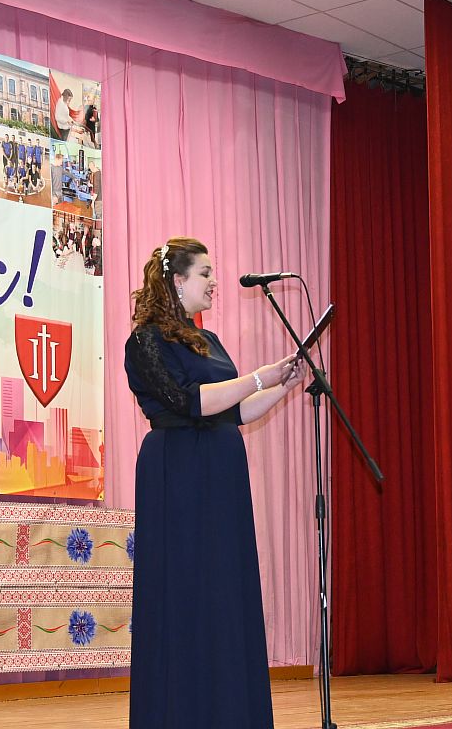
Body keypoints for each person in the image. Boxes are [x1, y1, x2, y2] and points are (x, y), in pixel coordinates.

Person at [124, 237, 304, 729]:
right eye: (205, 273)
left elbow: (236, 411)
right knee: (185, 590)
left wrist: (282, 386)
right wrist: (259, 377)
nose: (214, 282)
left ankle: (230, 712)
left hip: (221, 475)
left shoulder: (209, 339)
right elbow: (189, 402)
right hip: (179, 474)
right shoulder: (145, 341)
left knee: (224, 589)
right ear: (177, 280)